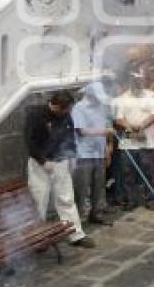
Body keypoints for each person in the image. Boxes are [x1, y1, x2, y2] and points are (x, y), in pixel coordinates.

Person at [25, 92, 94, 248]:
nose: (66, 114)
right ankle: (38, 239)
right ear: (55, 106)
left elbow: (70, 136)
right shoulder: (36, 115)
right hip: (40, 165)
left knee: (66, 199)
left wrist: (72, 157)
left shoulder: (65, 114)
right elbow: (29, 141)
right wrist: (42, 161)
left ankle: (75, 234)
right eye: (64, 110)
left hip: (61, 161)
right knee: (39, 200)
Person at [112, 72, 154, 210]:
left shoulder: (151, 95)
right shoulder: (122, 98)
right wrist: (131, 128)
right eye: (135, 81)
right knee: (128, 172)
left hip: (147, 140)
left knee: (149, 171)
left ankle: (151, 199)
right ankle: (131, 200)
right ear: (130, 82)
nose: (137, 83)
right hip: (128, 140)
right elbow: (119, 119)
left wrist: (142, 126)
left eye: (139, 80)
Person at [71, 83, 113, 226]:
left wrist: (107, 146)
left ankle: (96, 213)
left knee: (99, 185)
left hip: (99, 152)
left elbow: (107, 126)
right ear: (89, 95)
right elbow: (81, 131)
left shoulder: (102, 107)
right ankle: (80, 216)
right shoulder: (79, 108)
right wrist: (104, 132)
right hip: (84, 154)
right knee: (83, 186)